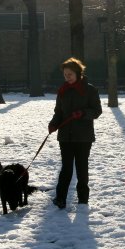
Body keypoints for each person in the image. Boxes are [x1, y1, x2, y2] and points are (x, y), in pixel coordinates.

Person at [48, 57, 102, 209]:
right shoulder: (63, 90)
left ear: (78, 73)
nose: (67, 77)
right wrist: (53, 124)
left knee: (81, 168)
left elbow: (97, 111)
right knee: (66, 169)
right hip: (65, 136)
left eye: (70, 74)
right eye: (65, 75)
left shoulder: (90, 90)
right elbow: (58, 112)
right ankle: (60, 198)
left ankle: (83, 199)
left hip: (84, 137)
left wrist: (83, 113)